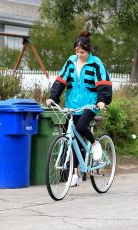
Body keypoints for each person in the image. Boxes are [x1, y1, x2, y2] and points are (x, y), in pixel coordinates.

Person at [46, 30, 112, 186]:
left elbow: (103, 82)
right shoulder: (71, 61)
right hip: (72, 104)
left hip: (91, 103)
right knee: (72, 136)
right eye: (77, 51)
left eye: (82, 52)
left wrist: (102, 100)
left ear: (88, 51)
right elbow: (61, 79)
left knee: (81, 126)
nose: (79, 54)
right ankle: (75, 173)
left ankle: (95, 144)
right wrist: (53, 97)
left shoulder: (96, 63)